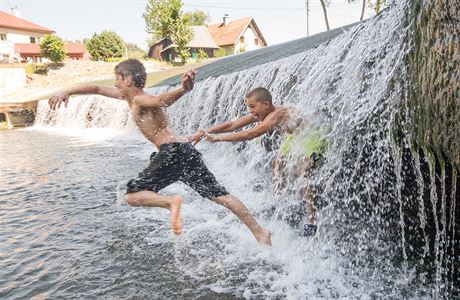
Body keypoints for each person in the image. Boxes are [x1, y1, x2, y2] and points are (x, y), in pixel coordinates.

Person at [48, 59, 271, 246]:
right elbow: (96, 89)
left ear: (128, 80)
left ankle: (171, 203)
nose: (114, 84)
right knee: (220, 195)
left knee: (133, 195)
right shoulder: (128, 97)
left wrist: (183, 89)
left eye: (117, 79)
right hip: (184, 150)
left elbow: (161, 101)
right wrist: (66, 91)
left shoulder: (139, 98)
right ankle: (259, 232)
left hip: (172, 152)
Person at [190, 87, 328, 236]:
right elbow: (232, 125)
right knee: (277, 164)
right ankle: (280, 202)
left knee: (305, 169)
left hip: (311, 136)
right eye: (249, 107)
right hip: (294, 138)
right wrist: (205, 132)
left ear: (266, 104)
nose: (250, 112)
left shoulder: (278, 113)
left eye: (252, 107)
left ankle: (311, 219)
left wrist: (217, 139)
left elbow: (251, 133)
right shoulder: (263, 113)